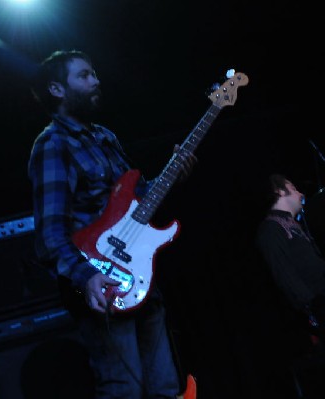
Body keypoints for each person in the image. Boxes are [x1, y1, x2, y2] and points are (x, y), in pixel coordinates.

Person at [27, 49, 197, 399]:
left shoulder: (105, 136)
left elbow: (136, 204)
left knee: (165, 387)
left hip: (142, 277)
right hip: (100, 283)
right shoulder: (52, 145)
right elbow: (49, 234)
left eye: (95, 73)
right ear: (57, 89)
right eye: (85, 75)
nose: (96, 81)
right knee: (124, 389)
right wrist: (87, 276)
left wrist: (172, 176)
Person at [254, 173, 325, 399]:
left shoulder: (293, 225)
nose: (300, 193)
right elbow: (285, 277)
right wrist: (312, 312)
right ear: (279, 191)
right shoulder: (270, 229)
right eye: (293, 187)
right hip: (316, 320)